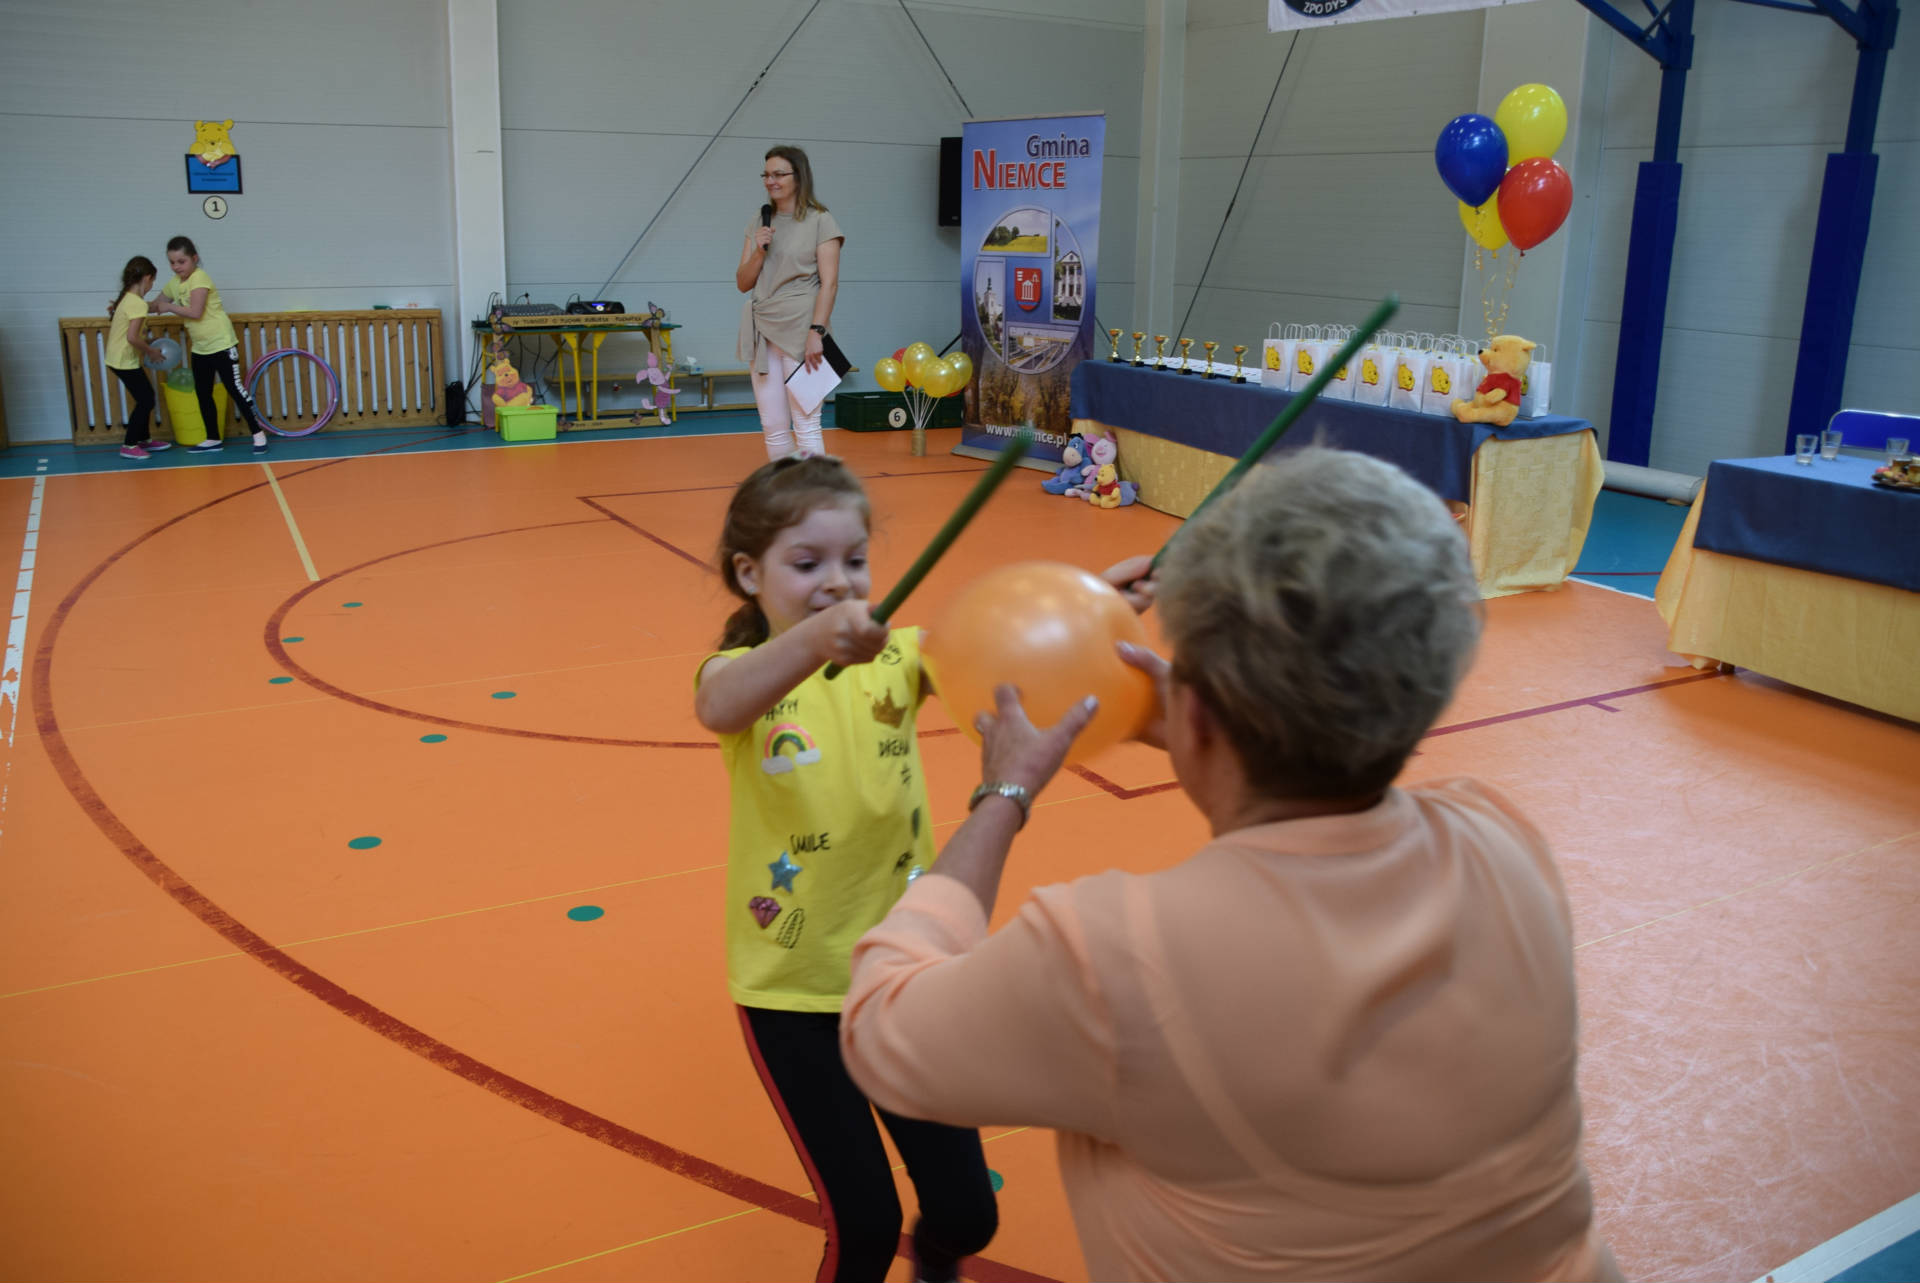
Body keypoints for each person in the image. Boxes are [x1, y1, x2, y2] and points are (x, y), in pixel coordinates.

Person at [840, 448, 1621, 1282]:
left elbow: (884, 1027)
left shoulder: (1113, 956)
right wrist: (1223, 724)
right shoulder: (1502, 839)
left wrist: (1004, 793)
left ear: (1200, 714)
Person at [693, 455, 1152, 1283]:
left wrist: (1091, 607)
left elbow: (1003, 655)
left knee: (970, 1215)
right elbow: (718, 705)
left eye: (855, 561)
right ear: (748, 572)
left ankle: (936, 1262)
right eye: (807, 564)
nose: (838, 583)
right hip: (792, 991)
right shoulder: (739, 677)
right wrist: (812, 641)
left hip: (907, 976)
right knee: (863, 1225)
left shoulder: (901, 655)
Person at [736, 146, 842, 460]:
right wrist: (759, 250)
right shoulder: (760, 220)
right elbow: (743, 282)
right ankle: (785, 498)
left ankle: (814, 497)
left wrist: (816, 332)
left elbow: (830, 283)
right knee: (773, 425)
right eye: (766, 175)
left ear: (799, 176)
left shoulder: (821, 220)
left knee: (806, 422)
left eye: (779, 174)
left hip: (801, 327)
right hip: (763, 327)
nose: (771, 180)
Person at [148, 236, 269, 455]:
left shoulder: (200, 278)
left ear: (194, 259)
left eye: (181, 261)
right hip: (201, 348)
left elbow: (195, 312)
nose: (176, 267)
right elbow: (156, 304)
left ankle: (258, 434)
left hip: (221, 343)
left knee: (235, 389)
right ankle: (213, 438)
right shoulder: (174, 284)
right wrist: (125, 306)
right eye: (172, 262)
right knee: (203, 393)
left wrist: (168, 307)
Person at [103, 257, 171, 461]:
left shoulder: (127, 299)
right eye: (152, 282)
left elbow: (130, 333)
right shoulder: (137, 304)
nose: (151, 286)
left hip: (117, 358)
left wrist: (149, 340)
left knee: (145, 398)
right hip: (123, 360)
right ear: (147, 278)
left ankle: (143, 439)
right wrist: (151, 350)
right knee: (146, 399)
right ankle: (130, 444)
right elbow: (132, 337)